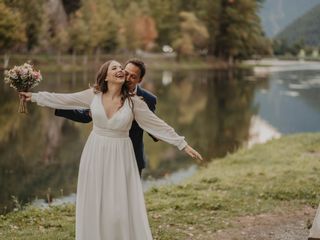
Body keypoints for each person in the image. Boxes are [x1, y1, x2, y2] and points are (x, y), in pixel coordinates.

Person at [19, 60, 202, 240]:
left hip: (122, 155)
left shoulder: (135, 103)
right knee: (95, 200)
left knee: (119, 207)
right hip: (95, 152)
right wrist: (34, 97)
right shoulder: (93, 95)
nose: (121, 70)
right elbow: (64, 98)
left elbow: (158, 125)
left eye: (121, 68)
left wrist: (182, 144)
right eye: (116, 68)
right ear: (106, 76)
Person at [55, 59, 158, 176]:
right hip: (106, 156)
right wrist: (57, 106)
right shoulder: (107, 91)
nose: (127, 78)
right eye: (126, 73)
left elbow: (152, 125)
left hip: (132, 157)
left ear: (140, 80)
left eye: (133, 76)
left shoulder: (149, 99)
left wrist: (155, 130)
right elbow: (85, 116)